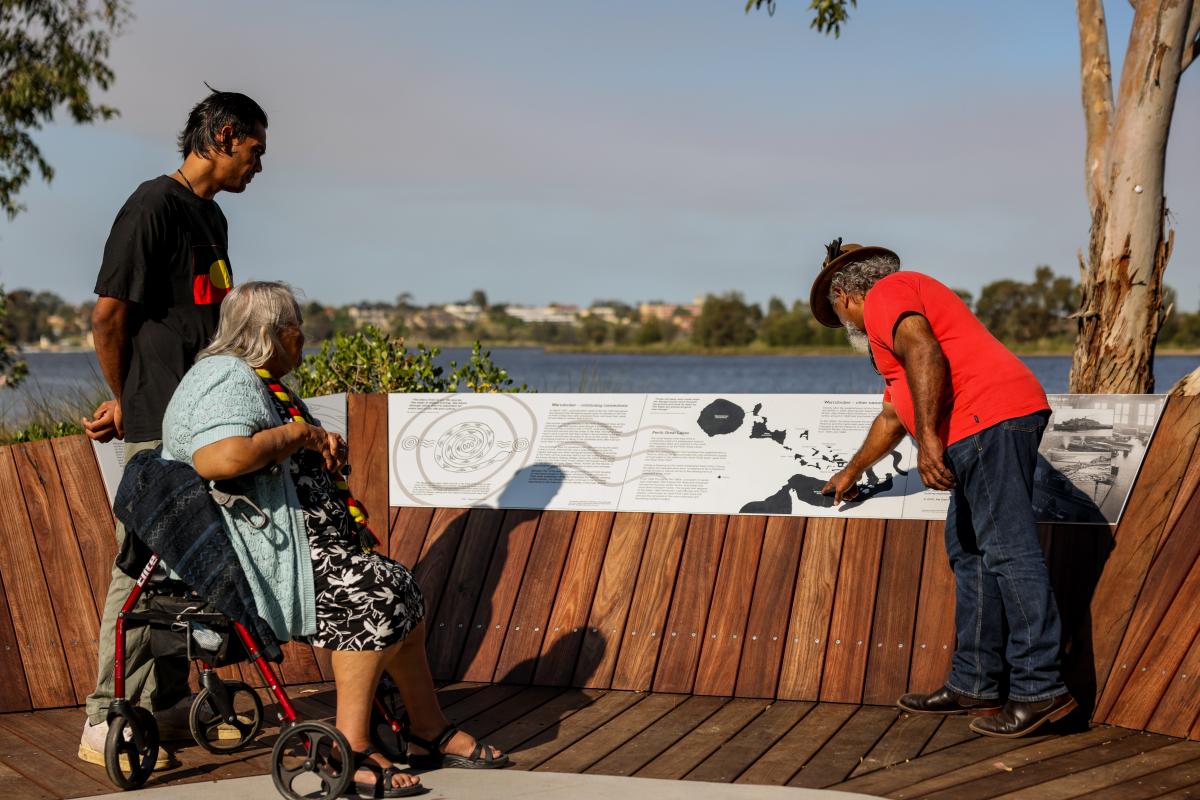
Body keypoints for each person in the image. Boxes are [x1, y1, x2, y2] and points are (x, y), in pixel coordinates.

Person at [161, 281, 506, 796]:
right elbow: (221, 459)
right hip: (254, 560)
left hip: (296, 548)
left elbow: (265, 450)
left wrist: (318, 443)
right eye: (298, 332)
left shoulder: (254, 379)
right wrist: (300, 436)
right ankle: (352, 745)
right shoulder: (224, 376)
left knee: (400, 589)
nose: (303, 344)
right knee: (375, 593)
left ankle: (427, 731)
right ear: (278, 334)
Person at [812, 239, 1077, 738]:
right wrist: (853, 470)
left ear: (845, 294)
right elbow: (895, 411)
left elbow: (924, 350)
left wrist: (930, 442)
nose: (843, 322)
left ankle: (1040, 690)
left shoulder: (889, 292)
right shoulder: (897, 312)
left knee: (1008, 552)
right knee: (971, 552)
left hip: (986, 420)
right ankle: (975, 681)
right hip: (979, 425)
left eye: (836, 310)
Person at [79, 89, 268, 767]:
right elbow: (107, 317)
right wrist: (125, 395)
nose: (259, 165)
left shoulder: (212, 218)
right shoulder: (152, 206)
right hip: (159, 421)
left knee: (184, 574)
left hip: (205, 422)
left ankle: (162, 707)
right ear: (223, 136)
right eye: (255, 149)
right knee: (137, 572)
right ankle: (105, 721)